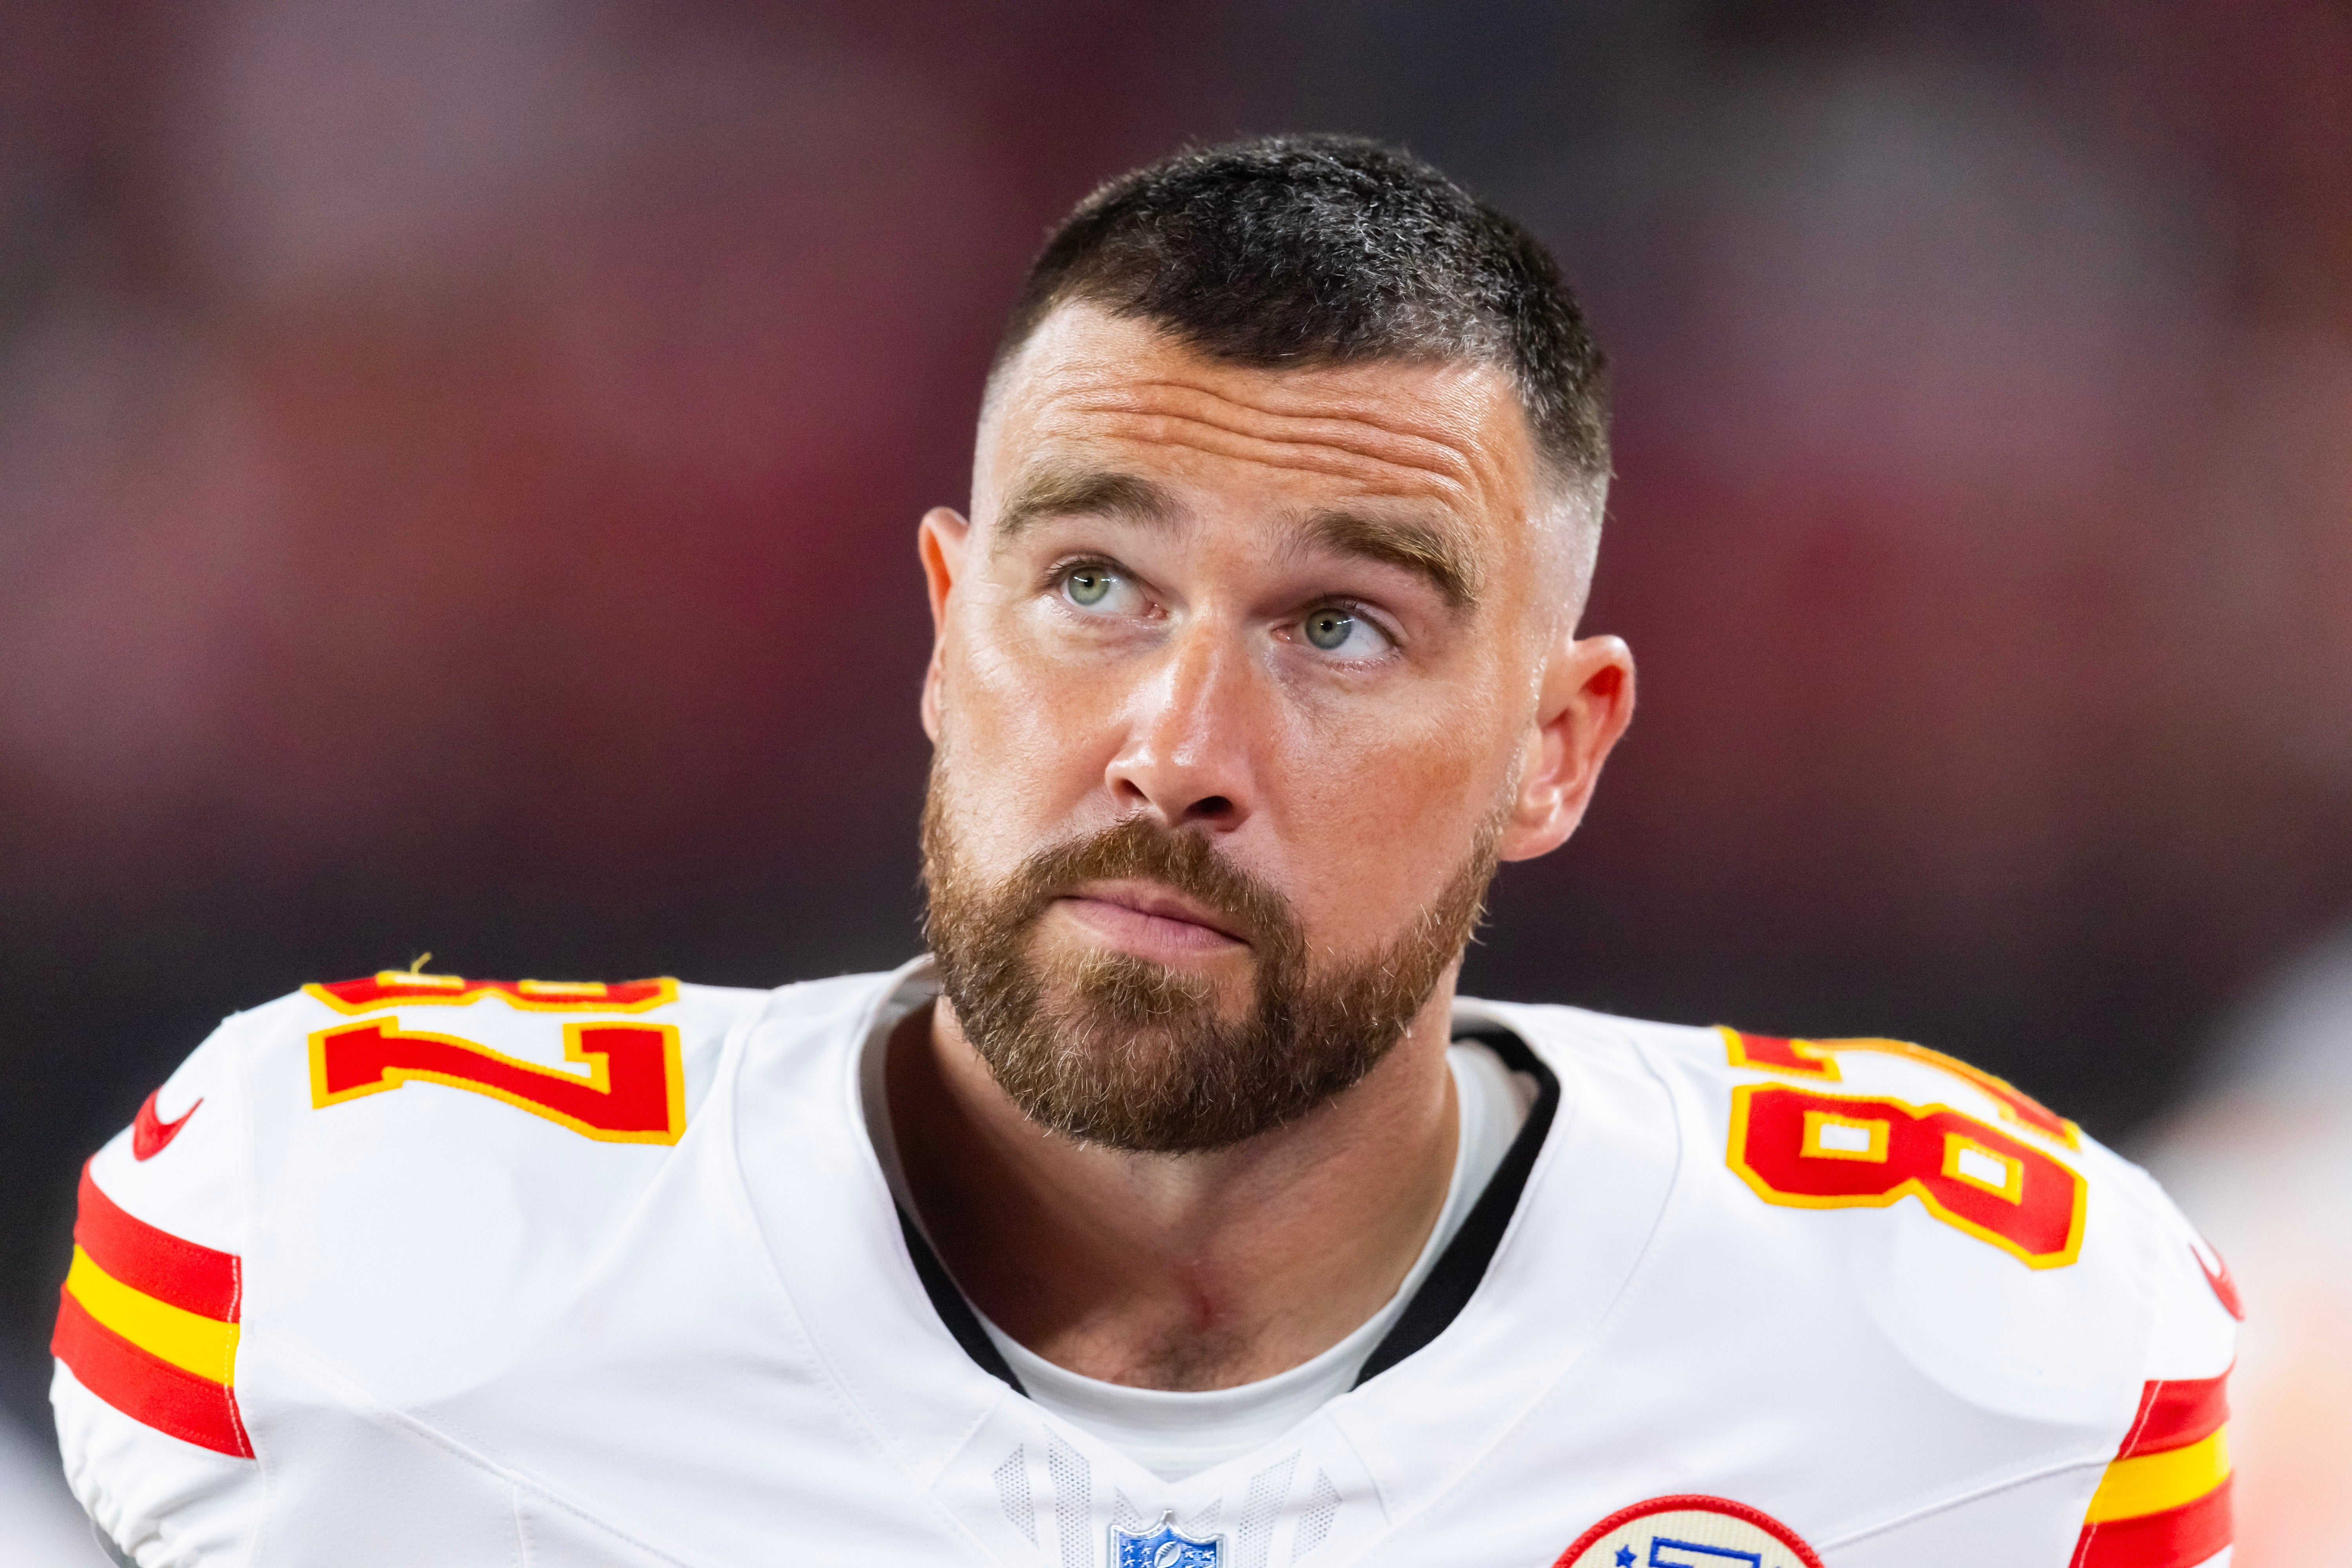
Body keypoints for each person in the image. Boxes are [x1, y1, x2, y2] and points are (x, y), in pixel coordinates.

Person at [53, 137, 2234, 1568]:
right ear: (941, 631)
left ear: (1555, 752)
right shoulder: (358, 1271)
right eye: (1092, 585)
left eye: (1343, 625)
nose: (1175, 750)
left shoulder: (1963, 1363)